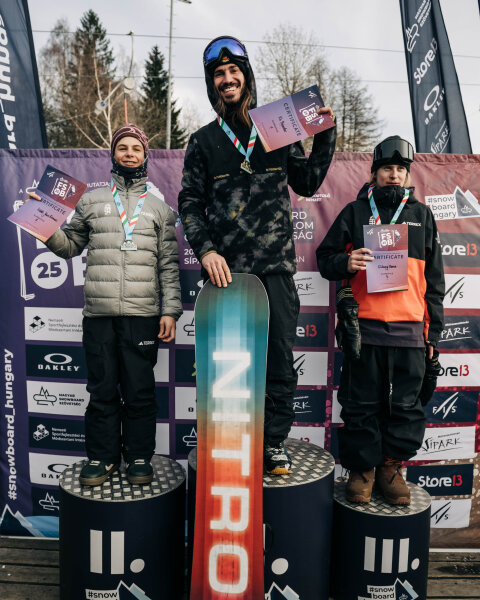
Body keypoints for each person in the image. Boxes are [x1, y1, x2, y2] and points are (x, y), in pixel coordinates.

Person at [178, 36, 336, 475]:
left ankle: (273, 443)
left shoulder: (275, 128)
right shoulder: (203, 141)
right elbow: (189, 202)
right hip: (227, 275)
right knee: (228, 365)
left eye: (234, 72)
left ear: (246, 77)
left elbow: (306, 182)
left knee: (279, 361)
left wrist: (325, 134)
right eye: (218, 74)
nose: (227, 79)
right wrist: (206, 250)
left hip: (276, 270)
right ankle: (231, 439)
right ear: (212, 84)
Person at [31, 124, 182, 486]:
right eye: (122, 148)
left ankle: (139, 457)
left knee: (139, 392)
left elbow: (168, 266)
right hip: (98, 316)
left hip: (142, 317)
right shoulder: (90, 201)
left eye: (136, 148)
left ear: (145, 156)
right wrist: (43, 223)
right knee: (101, 391)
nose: (129, 153)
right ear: (112, 154)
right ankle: (102, 458)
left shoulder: (160, 210)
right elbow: (69, 246)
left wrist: (170, 311)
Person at [316, 136, 445, 504]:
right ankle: (363, 470)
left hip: (410, 331)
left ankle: (390, 467)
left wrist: (433, 332)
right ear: (374, 173)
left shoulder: (422, 216)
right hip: (364, 329)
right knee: (360, 406)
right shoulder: (355, 212)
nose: (394, 174)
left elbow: (435, 281)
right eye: (387, 168)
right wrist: (346, 262)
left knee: (405, 407)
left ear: (407, 175)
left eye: (400, 169)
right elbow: (325, 260)